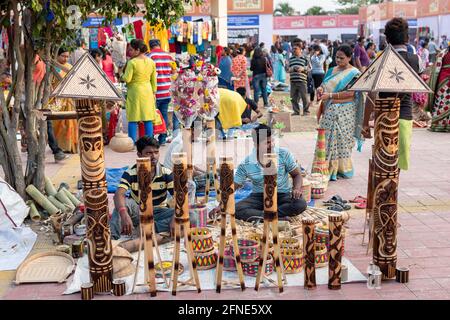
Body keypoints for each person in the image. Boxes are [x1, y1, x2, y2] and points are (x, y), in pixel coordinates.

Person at [365, 18, 421, 171]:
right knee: (396, 168)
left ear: (387, 38)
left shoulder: (381, 60)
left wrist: (365, 122)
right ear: (407, 38)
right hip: (404, 117)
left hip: (383, 118)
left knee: (383, 165)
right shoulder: (415, 60)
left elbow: (371, 93)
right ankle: (392, 195)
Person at [232, 124, 307, 222]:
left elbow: (296, 174)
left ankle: (264, 216)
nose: (271, 144)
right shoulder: (247, 163)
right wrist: (223, 203)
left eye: (272, 140)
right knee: (236, 209)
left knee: (300, 204)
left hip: (282, 195)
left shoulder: (284, 154)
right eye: (267, 142)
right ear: (256, 145)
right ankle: (276, 218)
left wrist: (296, 189)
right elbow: (233, 185)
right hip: (259, 197)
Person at [110, 136, 174, 240]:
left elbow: (180, 198)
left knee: (191, 215)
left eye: (156, 152)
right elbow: (118, 194)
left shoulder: (166, 173)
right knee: (122, 204)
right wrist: (124, 214)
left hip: (160, 212)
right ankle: (112, 239)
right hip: (138, 212)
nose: (154, 156)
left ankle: (145, 229)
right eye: (149, 153)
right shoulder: (131, 172)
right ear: (139, 155)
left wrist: (176, 218)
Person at [315, 45, 363, 181]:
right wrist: (320, 89)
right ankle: (324, 167)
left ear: (349, 58)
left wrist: (330, 95)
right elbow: (324, 85)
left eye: (342, 58)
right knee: (326, 138)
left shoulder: (354, 73)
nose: (338, 60)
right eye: (337, 57)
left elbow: (351, 93)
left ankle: (342, 169)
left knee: (342, 139)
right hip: (329, 110)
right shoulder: (331, 70)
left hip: (345, 111)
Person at [121, 39, 157, 142]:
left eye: (131, 50)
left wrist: (121, 76)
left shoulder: (132, 63)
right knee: (147, 118)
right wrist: (153, 92)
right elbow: (154, 80)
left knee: (133, 118)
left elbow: (127, 78)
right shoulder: (151, 62)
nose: (129, 52)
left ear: (137, 50)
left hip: (135, 91)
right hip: (148, 90)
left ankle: (132, 142)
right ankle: (150, 142)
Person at [147, 39, 178, 145]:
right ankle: (163, 139)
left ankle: (151, 139)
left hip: (154, 92)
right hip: (167, 91)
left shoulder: (149, 56)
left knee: (151, 116)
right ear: (159, 45)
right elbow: (174, 72)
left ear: (150, 46)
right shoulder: (169, 56)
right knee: (163, 115)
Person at [51, 47, 78, 154]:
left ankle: (69, 146)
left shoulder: (69, 67)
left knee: (70, 122)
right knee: (58, 123)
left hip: (68, 98)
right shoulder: (54, 67)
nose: (65, 58)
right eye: (63, 56)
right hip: (56, 99)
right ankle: (59, 146)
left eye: (67, 56)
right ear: (57, 55)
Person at [427, 46, 450, 132]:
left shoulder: (443, 52)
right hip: (444, 80)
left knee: (442, 101)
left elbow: (436, 68)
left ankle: (438, 124)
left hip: (443, 80)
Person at [288, 45, 309, 116]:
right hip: (293, 81)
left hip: (302, 81)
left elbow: (310, 68)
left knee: (304, 97)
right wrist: (292, 69)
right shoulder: (291, 59)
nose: (294, 50)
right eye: (293, 49)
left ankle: (306, 111)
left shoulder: (305, 58)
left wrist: (303, 69)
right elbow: (287, 69)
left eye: (296, 49)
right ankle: (296, 111)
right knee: (293, 97)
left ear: (300, 49)